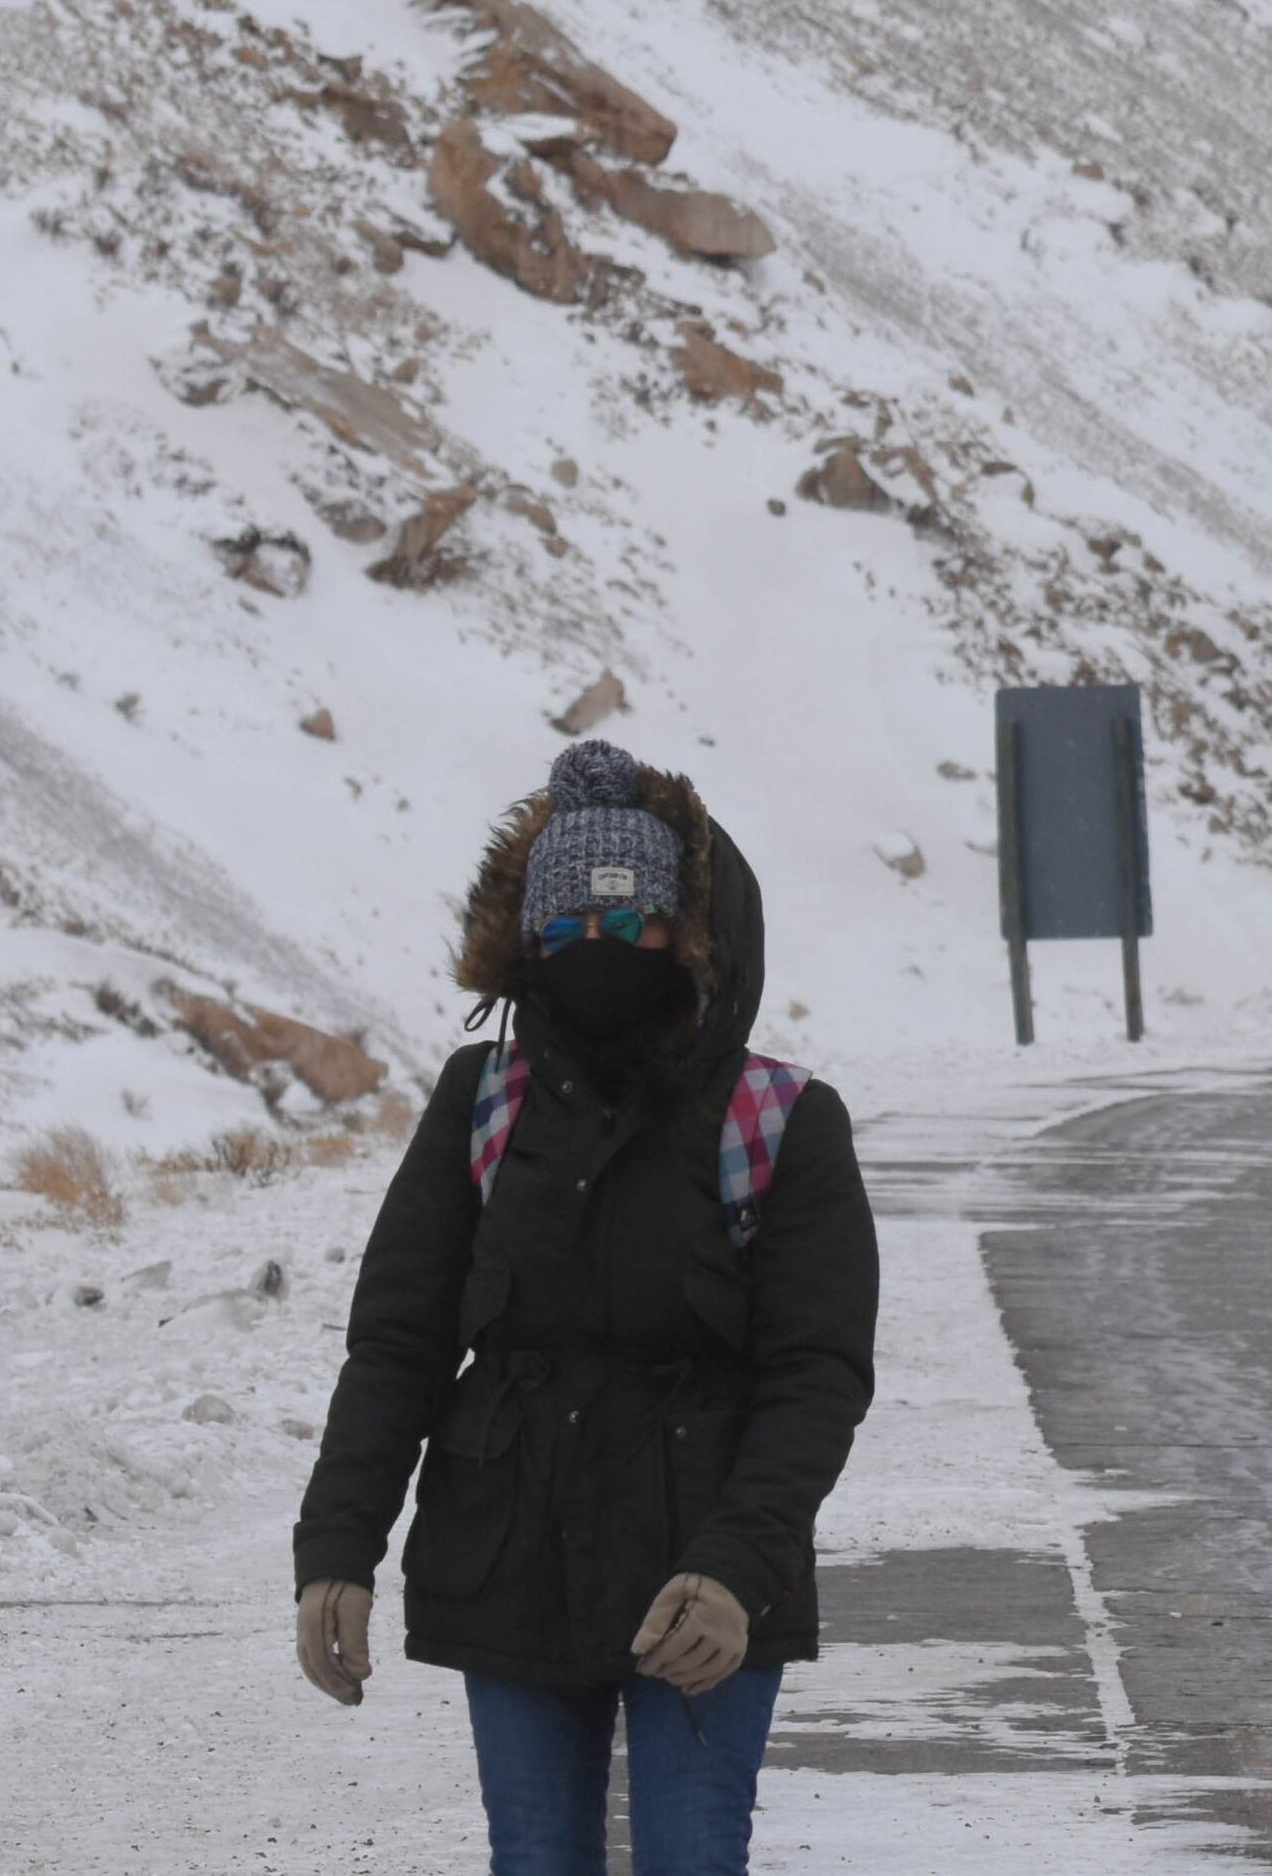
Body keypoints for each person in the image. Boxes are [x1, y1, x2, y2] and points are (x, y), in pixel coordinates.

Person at [292, 742, 879, 1874]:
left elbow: (817, 1375)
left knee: (692, 1856)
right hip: (513, 1557)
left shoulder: (782, 1122)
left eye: (629, 926)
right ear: (525, 947)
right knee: (536, 1858)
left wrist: (736, 1571)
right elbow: (399, 1344)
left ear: (691, 931)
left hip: (700, 1576)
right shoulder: (483, 1103)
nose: (594, 955)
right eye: (562, 932)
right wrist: (337, 1549)